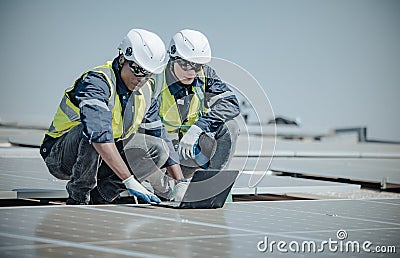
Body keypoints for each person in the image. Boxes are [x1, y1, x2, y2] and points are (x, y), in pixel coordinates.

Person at [40, 29, 186, 205]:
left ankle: (101, 196)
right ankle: (79, 196)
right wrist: (129, 180)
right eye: (138, 69)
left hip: (103, 159)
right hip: (62, 156)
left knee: (158, 149)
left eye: (148, 73)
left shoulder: (146, 91)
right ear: (123, 58)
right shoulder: (98, 82)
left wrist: (180, 183)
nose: (141, 78)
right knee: (92, 132)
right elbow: (98, 135)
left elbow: (159, 136)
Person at [154, 29, 240, 181]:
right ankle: (166, 182)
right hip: (161, 154)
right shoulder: (155, 79)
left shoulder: (205, 74)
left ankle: (212, 184)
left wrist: (199, 127)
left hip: (190, 150)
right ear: (172, 58)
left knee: (230, 126)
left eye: (197, 66)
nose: (192, 72)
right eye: (185, 65)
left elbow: (231, 104)